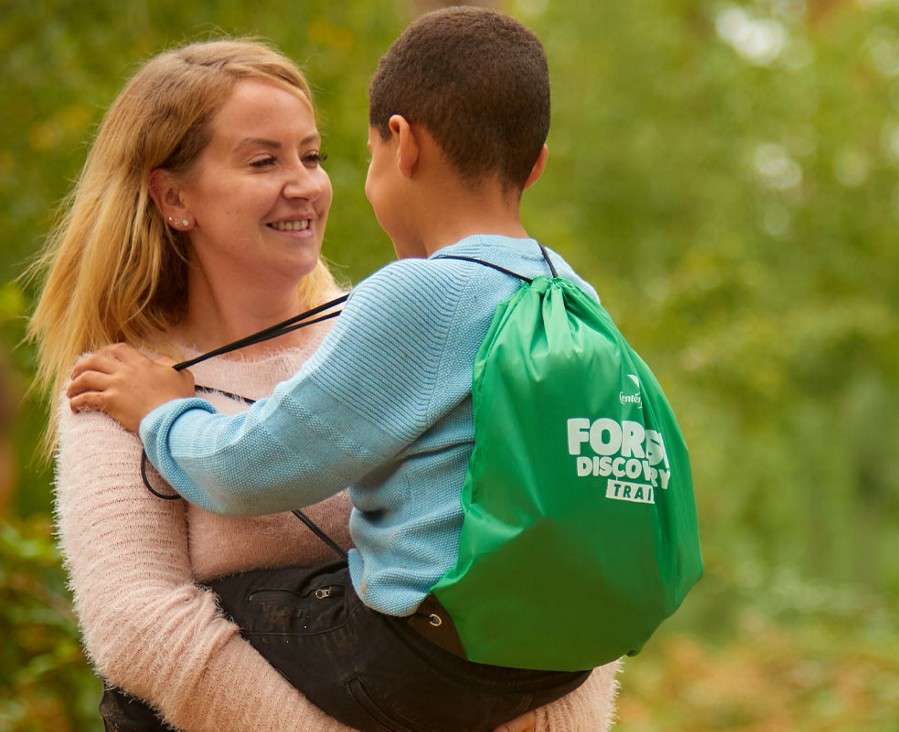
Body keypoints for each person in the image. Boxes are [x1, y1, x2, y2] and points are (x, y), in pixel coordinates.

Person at [30, 38, 618, 731]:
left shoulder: (406, 331)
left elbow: (565, 543)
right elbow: (142, 628)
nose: (304, 183)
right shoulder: (121, 384)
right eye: (264, 160)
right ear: (173, 196)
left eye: (312, 156)